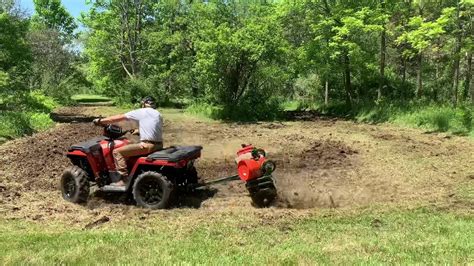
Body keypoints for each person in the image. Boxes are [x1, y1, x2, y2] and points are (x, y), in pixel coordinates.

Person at [93, 96, 163, 187]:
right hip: (158, 145)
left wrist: (100, 121)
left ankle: (123, 179)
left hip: (147, 145)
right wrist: (139, 131)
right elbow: (153, 128)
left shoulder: (142, 111)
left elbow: (119, 117)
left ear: (144, 104)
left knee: (117, 152)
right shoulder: (158, 114)